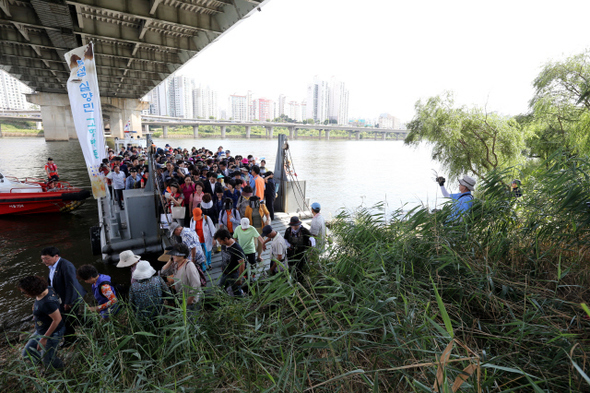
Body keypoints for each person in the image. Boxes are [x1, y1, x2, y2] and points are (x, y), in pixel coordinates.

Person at [41, 246, 86, 347]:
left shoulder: (66, 266)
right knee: (67, 319)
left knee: (68, 319)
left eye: (47, 258)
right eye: (43, 259)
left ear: (56, 256)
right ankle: (73, 337)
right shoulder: (52, 266)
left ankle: (71, 339)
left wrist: (68, 302)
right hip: (61, 297)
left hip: (70, 298)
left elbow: (71, 285)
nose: (44, 261)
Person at [19, 275, 65, 370]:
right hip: (41, 330)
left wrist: (44, 339)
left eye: (24, 292)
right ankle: (42, 363)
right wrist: (36, 310)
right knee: (27, 352)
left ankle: (61, 371)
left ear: (33, 289)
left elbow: (57, 319)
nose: (24, 294)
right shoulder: (47, 288)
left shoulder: (47, 303)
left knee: (49, 360)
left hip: (51, 334)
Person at [161, 243, 202, 309]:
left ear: (182, 255)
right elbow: (163, 272)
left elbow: (196, 286)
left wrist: (189, 301)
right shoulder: (175, 265)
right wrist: (170, 260)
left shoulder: (189, 266)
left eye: (175, 253)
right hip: (182, 300)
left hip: (191, 303)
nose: (173, 255)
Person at [214, 229, 246, 297]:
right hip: (225, 272)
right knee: (221, 289)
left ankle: (241, 303)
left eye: (220, 241)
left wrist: (239, 278)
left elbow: (242, 264)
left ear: (226, 239)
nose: (219, 243)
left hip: (233, 274)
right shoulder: (224, 245)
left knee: (237, 292)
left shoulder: (237, 248)